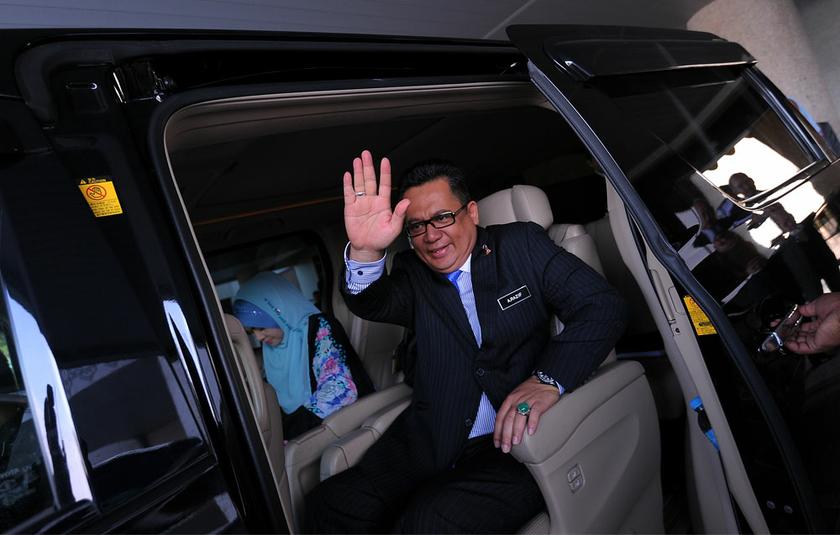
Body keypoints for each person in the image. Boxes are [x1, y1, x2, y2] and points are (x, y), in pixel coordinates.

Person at [304, 150, 627, 533]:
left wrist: (546, 380)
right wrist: (366, 250)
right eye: (417, 226)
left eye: (442, 217)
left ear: (471, 212)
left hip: (514, 444)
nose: (431, 235)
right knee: (330, 506)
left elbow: (602, 306)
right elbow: (369, 300)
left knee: (426, 524)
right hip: (430, 438)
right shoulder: (412, 271)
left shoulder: (522, 245)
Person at [233, 271, 373, 439]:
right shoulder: (273, 348)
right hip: (311, 432)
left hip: (347, 426)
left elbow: (340, 390)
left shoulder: (320, 328)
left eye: (261, 327)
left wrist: (286, 432)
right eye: (251, 332)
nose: (259, 338)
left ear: (278, 311)